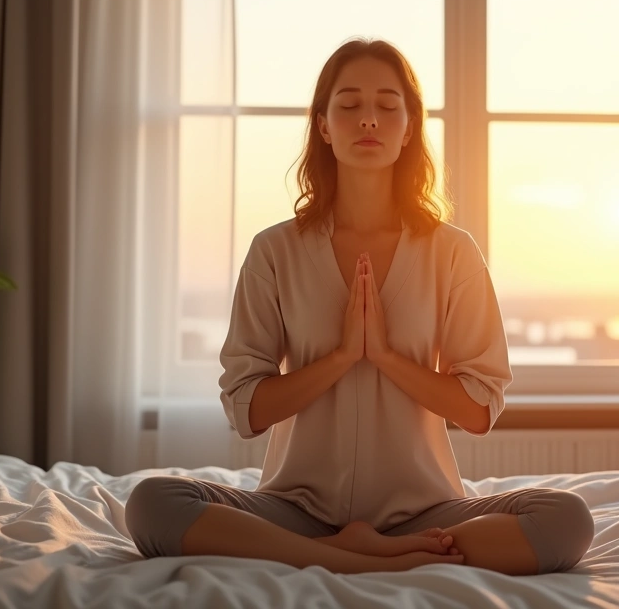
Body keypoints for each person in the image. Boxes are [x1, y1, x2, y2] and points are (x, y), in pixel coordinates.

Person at [126, 38, 594, 575]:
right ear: (324, 125)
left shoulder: (452, 252)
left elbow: (478, 410)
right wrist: (342, 356)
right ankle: (358, 559)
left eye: (387, 106)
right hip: (294, 509)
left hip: (426, 512)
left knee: (565, 518)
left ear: (409, 126)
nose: (368, 119)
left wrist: (388, 357)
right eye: (349, 105)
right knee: (153, 503)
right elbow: (247, 410)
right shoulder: (274, 251)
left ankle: (349, 555)